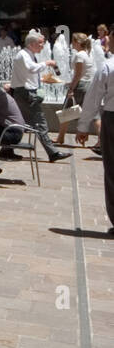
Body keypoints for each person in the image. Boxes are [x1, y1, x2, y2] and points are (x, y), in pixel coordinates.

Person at [11, 31, 70, 162]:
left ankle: (6, 149)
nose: (43, 46)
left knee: (19, 122)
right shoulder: (23, 55)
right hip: (26, 93)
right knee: (40, 122)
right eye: (40, 43)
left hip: (26, 92)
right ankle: (52, 152)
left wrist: (43, 79)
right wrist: (47, 63)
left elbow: (29, 73)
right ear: (32, 44)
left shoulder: (28, 54)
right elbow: (31, 69)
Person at [76, 50, 114, 237]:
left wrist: (83, 126)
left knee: (113, 169)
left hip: (112, 119)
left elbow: (92, 98)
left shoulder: (108, 66)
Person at [57, 32, 93, 146]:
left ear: (77, 43)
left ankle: (60, 138)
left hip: (80, 86)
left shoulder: (79, 55)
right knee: (76, 112)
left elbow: (78, 74)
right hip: (86, 85)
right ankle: (61, 137)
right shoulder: (86, 54)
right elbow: (83, 73)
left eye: (72, 41)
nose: (71, 43)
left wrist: (71, 88)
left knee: (67, 112)